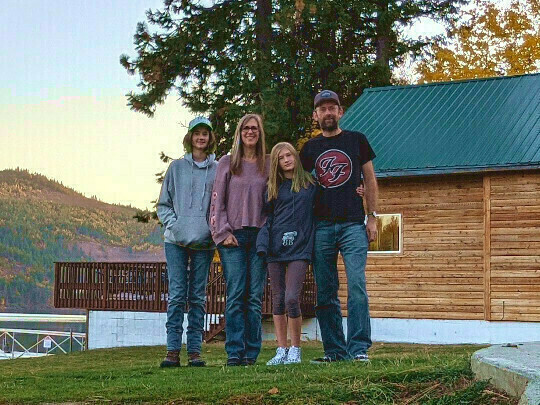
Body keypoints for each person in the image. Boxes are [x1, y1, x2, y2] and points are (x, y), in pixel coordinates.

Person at [299, 90, 379, 363]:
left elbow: (369, 179)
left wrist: (373, 216)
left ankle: (358, 348)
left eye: (332, 108)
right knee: (325, 289)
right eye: (322, 109)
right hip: (320, 227)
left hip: (353, 225)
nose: (328, 113)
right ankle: (334, 350)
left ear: (340, 111)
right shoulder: (309, 149)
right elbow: (299, 184)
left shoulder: (356, 140)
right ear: (315, 115)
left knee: (357, 284)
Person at [157, 116, 218, 368]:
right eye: (197, 133)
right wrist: (176, 225)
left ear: (210, 138)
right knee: (177, 295)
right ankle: (172, 351)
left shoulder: (218, 168)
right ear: (190, 137)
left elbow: (220, 204)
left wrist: (211, 229)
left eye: (205, 133)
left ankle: (194, 351)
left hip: (204, 242)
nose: (201, 137)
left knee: (197, 297)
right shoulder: (176, 168)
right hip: (176, 242)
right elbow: (163, 204)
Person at [209, 113, 270, 366]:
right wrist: (222, 233)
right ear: (239, 132)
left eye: (254, 128)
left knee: (254, 297)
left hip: (259, 235)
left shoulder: (268, 163)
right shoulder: (227, 162)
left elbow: (277, 199)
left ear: (260, 132)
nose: (250, 131)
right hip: (232, 237)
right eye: (246, 127)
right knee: (235, 294)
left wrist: (268, 232)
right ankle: (234, 350)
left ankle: (251, 353)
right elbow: (216, 201)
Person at [256, 142, 316, 365]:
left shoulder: (310, 183)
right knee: (278, 299)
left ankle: (296, 349)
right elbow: (266, 218)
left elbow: (327, 205)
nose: (287, 160)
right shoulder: (272, 187)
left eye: (290, 155)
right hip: (275, 247)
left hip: (300, 247)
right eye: (281, 158)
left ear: (296, 157)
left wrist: (358, 191)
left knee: (292, 297)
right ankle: (281, 349)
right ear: (277, 163)